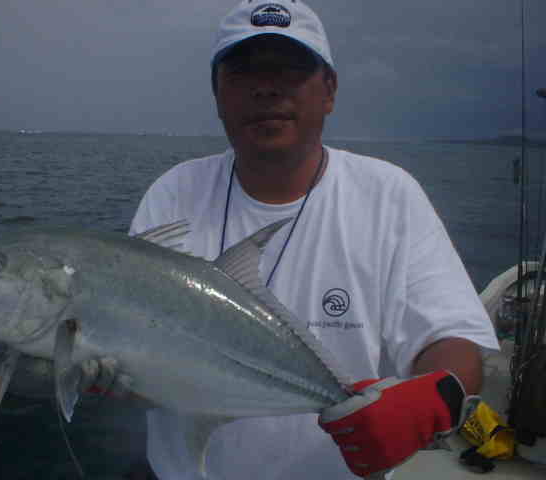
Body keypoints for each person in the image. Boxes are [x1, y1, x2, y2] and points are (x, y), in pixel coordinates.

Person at [129, 1, 499, 478]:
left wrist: (429, 401)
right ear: (217, 95)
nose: (266, 87)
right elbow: (137, 342)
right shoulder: (173, 193)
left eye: (290, 70)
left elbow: (452, 342)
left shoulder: (388, 196)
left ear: (329, 91)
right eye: (242, 72)